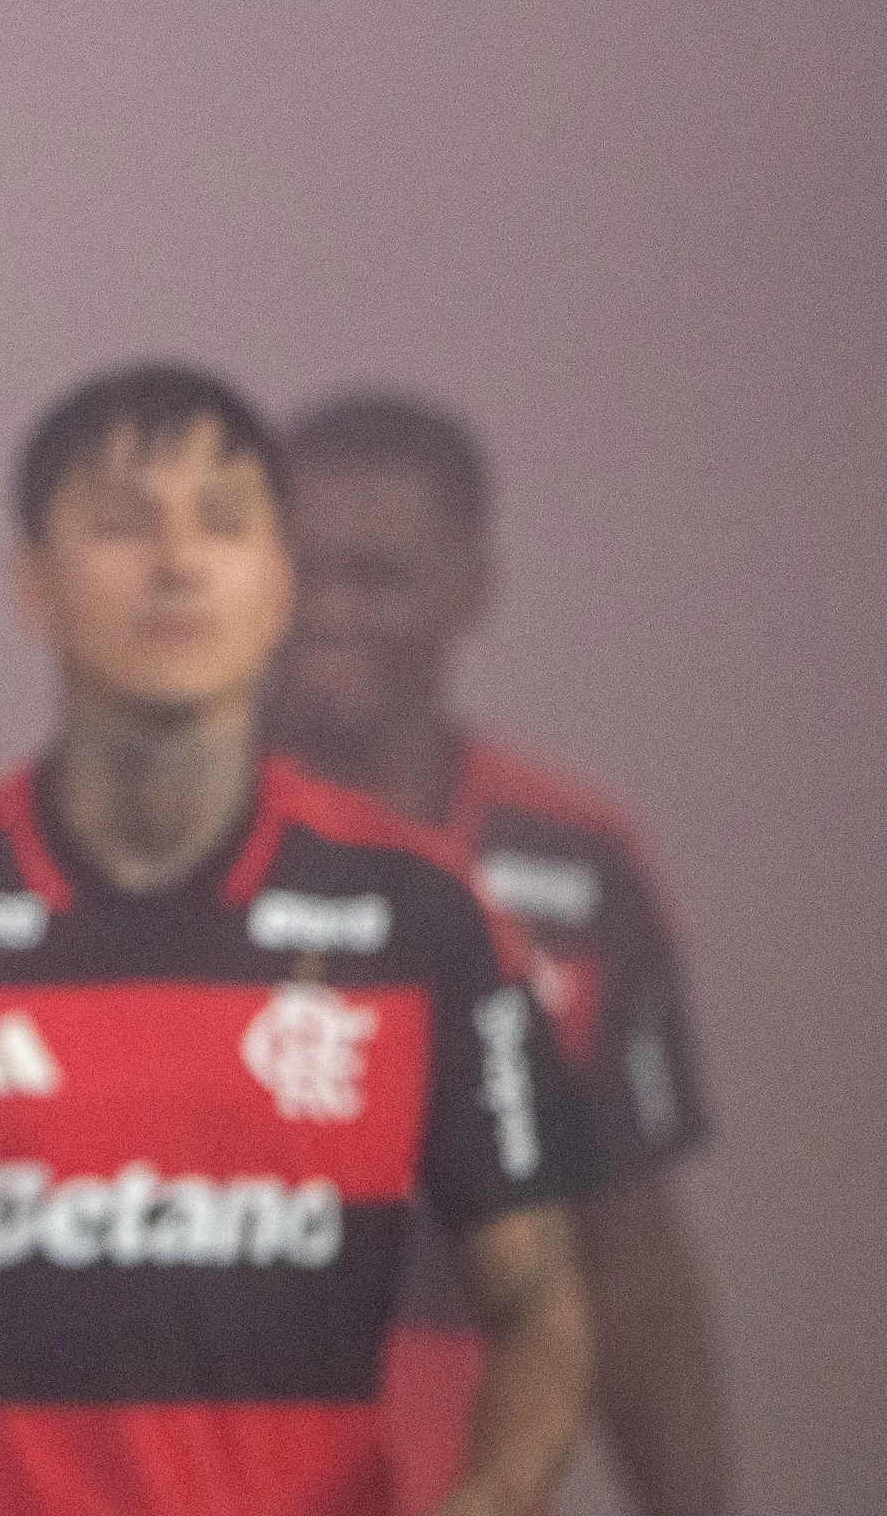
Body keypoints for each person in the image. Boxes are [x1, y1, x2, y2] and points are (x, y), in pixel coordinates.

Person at [0, 364, 593, 1516]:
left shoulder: (424, 915)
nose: (176, 561)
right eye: (121, 523)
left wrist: (496, 1492)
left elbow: (542, 1309)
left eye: (223, 523)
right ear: (33, 585)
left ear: (278, 585)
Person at [270, 392, 727, 1516]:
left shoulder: (577, 866)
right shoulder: (157, 856)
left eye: (377, 576)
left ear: (473, 583)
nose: (331, 610)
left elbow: (631, 1260)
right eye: (301, 571)